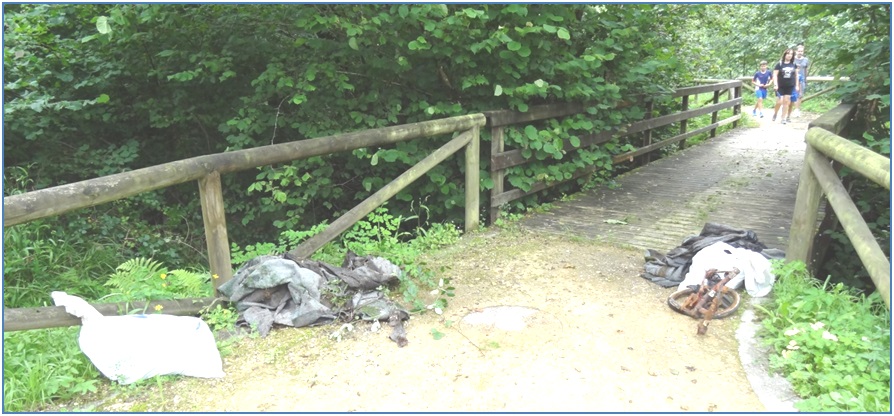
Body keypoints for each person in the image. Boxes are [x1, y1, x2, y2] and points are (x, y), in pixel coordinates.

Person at [771, 48, 799, 125]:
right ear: (785, 54)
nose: (789, 55)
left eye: (791, 54)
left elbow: (796, 75)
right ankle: (775, 113)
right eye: (788, 53)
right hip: (780, 85)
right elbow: (775, 75)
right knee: (779, 101)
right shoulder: (779, 64)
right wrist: (775, 84)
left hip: (790, 85)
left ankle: (783, 118)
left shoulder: (794, 64)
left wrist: (797, 85)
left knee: (786, 101)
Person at [792, 43, 809, 117]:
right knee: (793, 94)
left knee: (800, 95)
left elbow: (806, 70)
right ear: (796, 51)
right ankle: (789, 109)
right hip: (793, 79)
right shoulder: (792, 59)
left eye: (801, 51)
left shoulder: (806, 60)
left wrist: (805, 79)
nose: (800, 52)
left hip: (801, 79)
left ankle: (797, 110)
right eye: (799, 51)